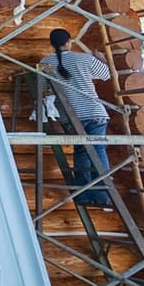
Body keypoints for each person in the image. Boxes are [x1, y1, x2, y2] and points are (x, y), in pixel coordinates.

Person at [39, 28, 113, 207]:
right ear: (69, 41)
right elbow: (107, 75)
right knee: (98, 151)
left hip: (70, 116)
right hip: (94, 113)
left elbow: (42, 87)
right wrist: (101, 58)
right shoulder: (83, 58)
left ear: (52, 43)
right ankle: (103, 196)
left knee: (81, 151)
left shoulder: (45, 62)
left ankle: (83, 195)